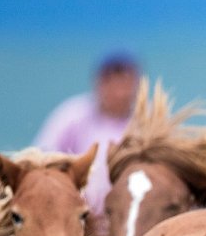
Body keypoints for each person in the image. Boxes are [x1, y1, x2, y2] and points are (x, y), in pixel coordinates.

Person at [34, 51, 141, 215]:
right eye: (111, 82)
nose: (119, 92)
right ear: (99, 83)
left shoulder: (145, 121)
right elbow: (41, 158)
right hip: (74, 215)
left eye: (125, 83)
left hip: (129, 216)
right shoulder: (72, 116)